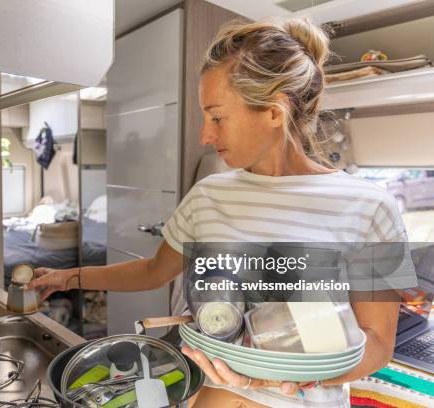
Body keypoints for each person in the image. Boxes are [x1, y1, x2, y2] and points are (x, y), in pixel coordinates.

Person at [27, 18, 409, 407]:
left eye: (217, 117)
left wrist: (301, 378)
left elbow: (378, 344)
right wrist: (69, 277)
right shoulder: (208, 194)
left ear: (274, 113)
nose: (205, 136)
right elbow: (153, 271)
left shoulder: (372, 207)